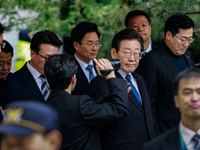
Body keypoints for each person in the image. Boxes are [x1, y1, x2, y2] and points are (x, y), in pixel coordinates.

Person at [88, 29, 156, 150]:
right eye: (127, 53)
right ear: (114, 53)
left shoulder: (140, 79)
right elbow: (100, 119)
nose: (132, 58)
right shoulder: (101, 81)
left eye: (137, 53)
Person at [45, 54, 129, 150]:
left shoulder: (44, 107)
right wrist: (111, 75)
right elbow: (120, 109)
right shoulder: (80, 104)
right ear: (73, 79)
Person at [137, 14, 195, 134]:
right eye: (183, 39)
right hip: (167, 130)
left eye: (190, 40)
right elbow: (149, 103)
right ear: (169, 35)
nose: (186, 44)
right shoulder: (152, 60)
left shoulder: (189, 56)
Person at [0, 30, 62, 108]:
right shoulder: (12, 84)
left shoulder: (60, 79)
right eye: (47, 58)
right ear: (32, 54)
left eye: (55, 58)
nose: (52, 63)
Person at [143, 68, 200, 150]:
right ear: (176, 101)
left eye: (199, 92)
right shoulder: (154, 147)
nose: (194, 98)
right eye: (187, 93)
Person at [70, 22, 100, 95]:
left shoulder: (100, 67)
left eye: (97, 43)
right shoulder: (67, 68)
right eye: (90, 44)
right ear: (76, 45)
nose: (95, 48)